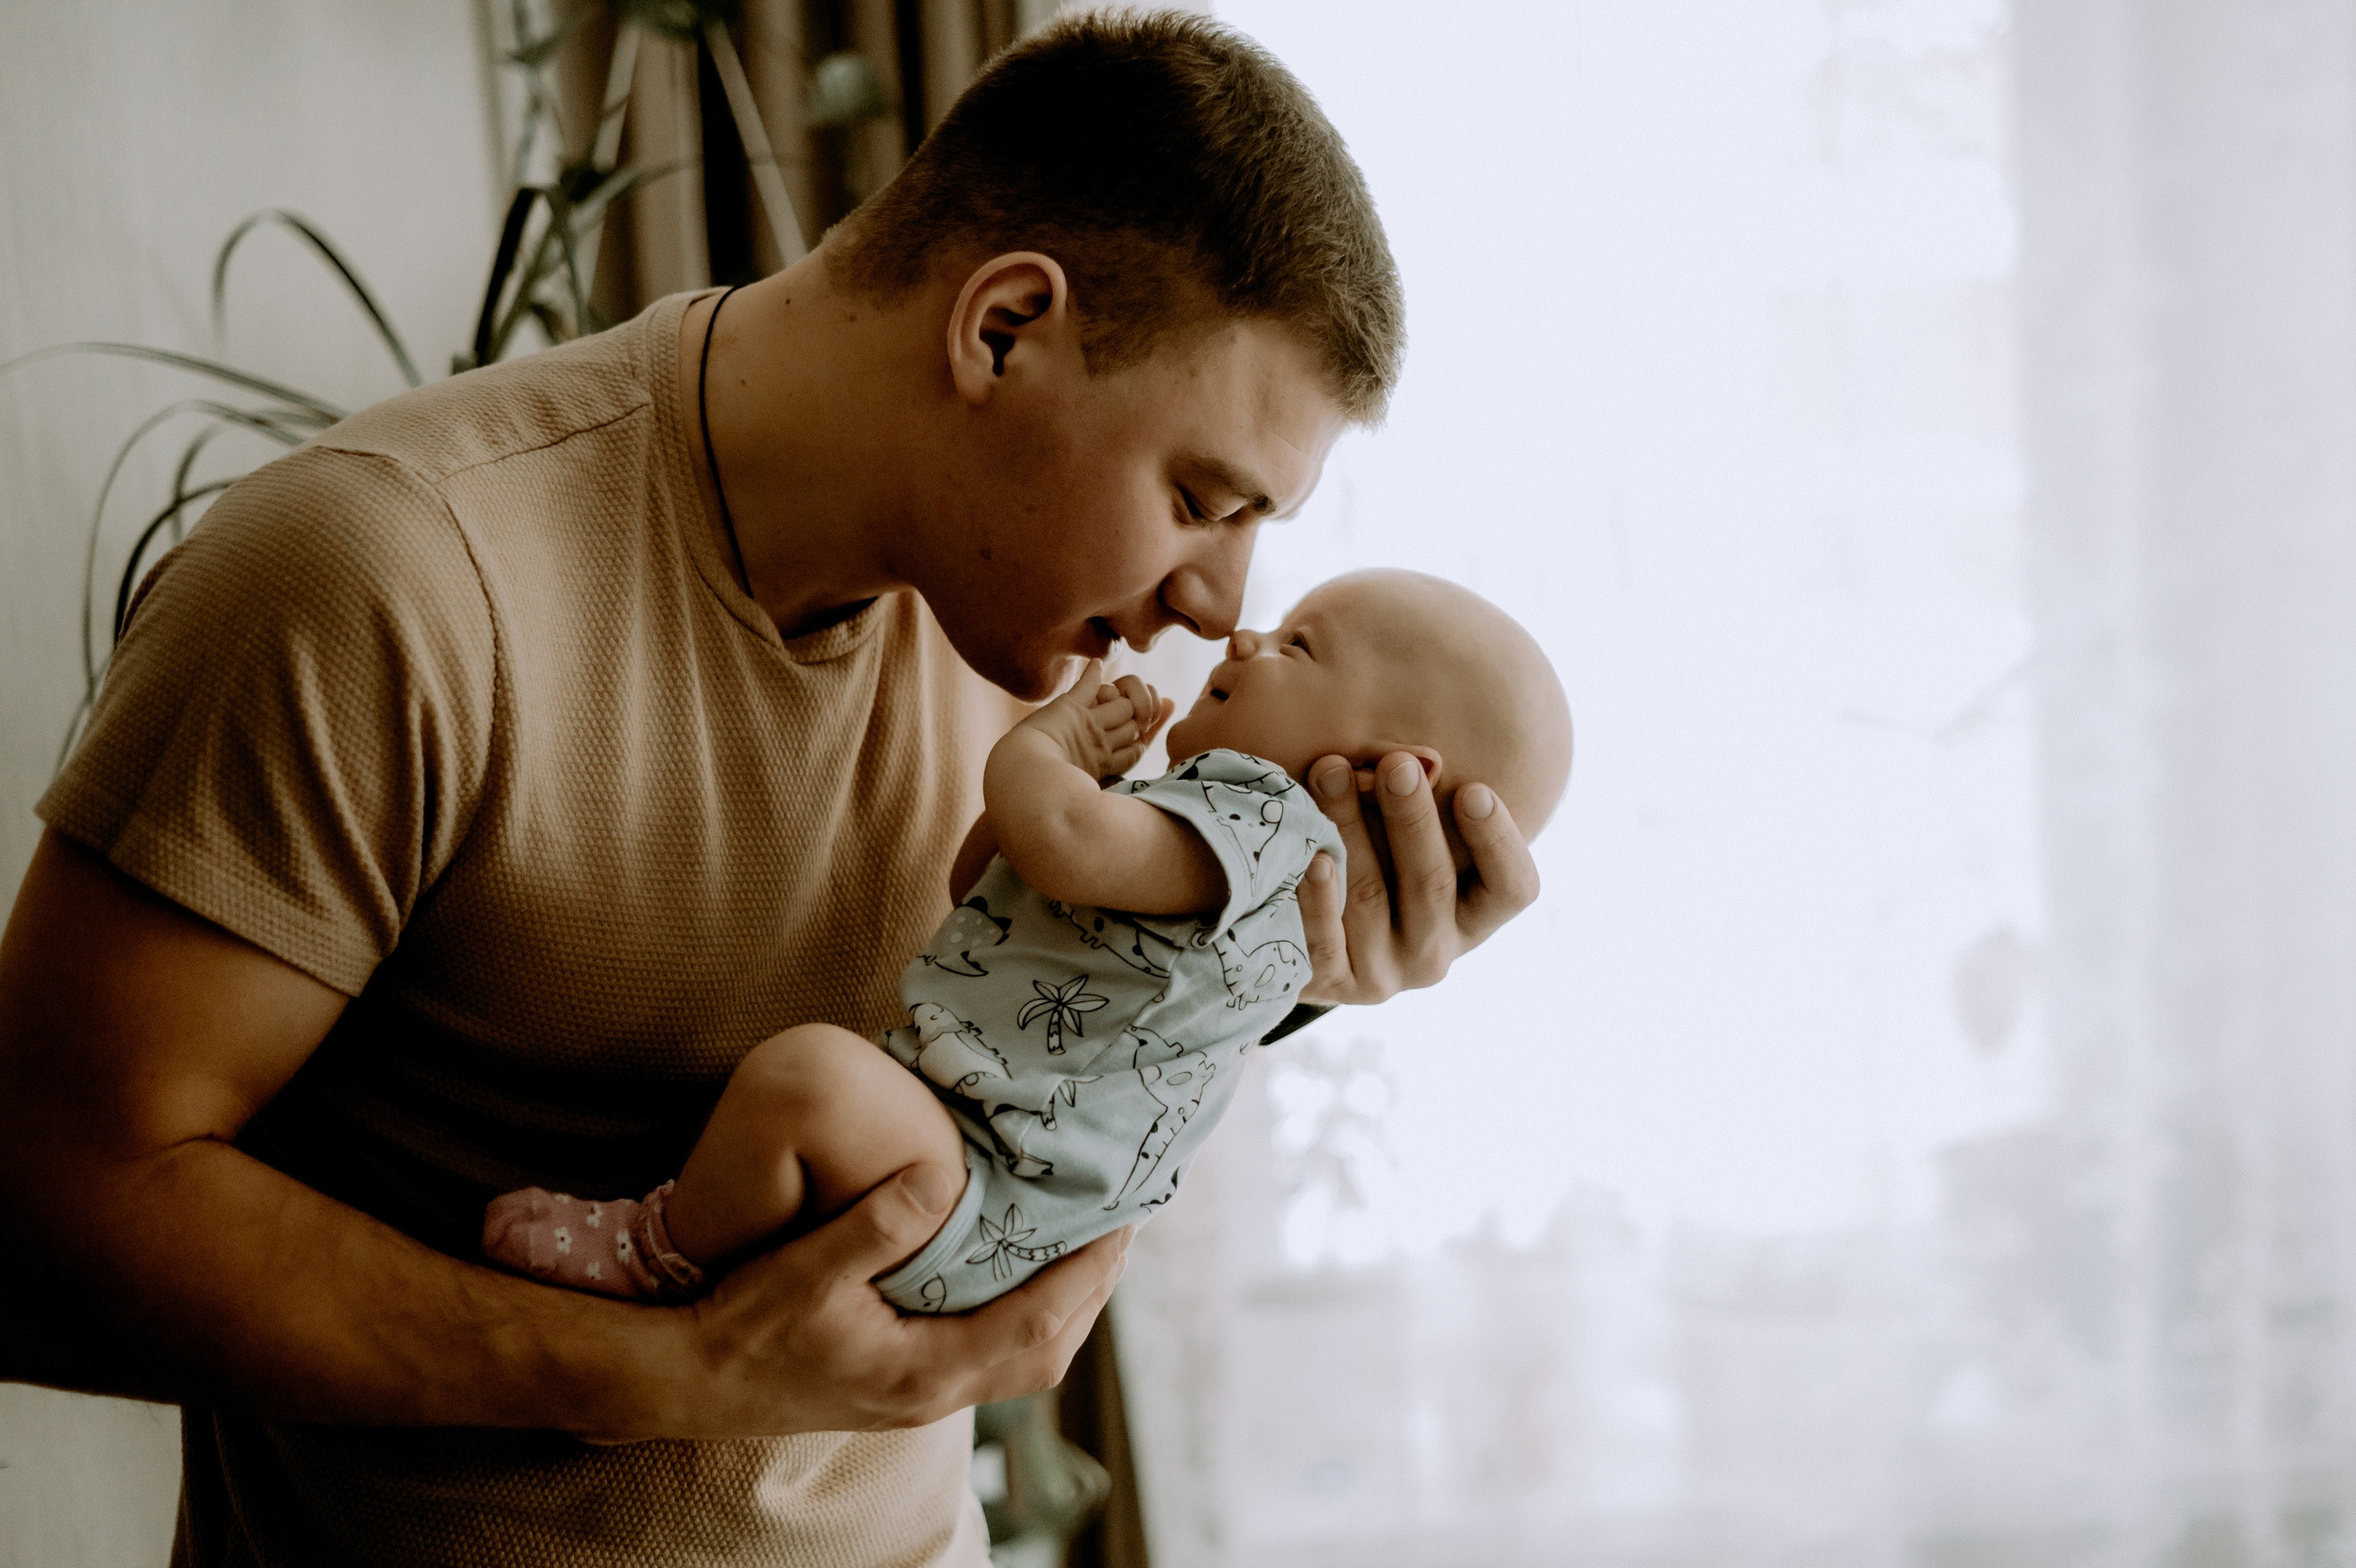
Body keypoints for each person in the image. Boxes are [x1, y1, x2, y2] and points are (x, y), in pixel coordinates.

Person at [0, 12, 1540, 1567]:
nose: (1219, 604)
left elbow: (1049, 1047)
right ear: (1003, 326)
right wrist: (663, 1374)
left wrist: (1306, 963)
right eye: (1200, 500)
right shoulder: (383, 581)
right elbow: (40, 1216)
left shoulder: (1042, 659)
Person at [482, 569, 1572, 1319]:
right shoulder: (1213, 867)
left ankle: (654, 1252)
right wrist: (1076, 790)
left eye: (1297, 644)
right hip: (977, 1186)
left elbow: (1054, 839)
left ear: (1391, 768)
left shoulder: (1259, 827)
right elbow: (983, 887)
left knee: (806, 1080)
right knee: (814, 1095)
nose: (1240, 632)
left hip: (976, 1179)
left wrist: (1050, 747)